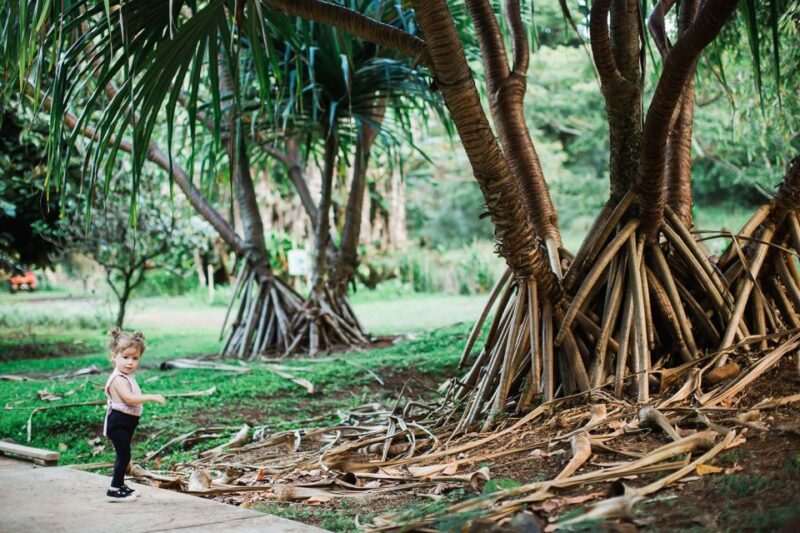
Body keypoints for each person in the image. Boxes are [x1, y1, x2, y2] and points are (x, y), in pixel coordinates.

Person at [103, 328, 165, 502]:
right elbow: (129, 399)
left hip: (127, 422)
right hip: (118, 422)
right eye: (125, 357)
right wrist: (152, 397)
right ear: (114, 356)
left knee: (124, 455)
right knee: (124, 456)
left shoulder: (126, 375)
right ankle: (114, 489)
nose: (130, 362)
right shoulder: (118, 379)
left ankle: (120, 485)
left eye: (135, 358)